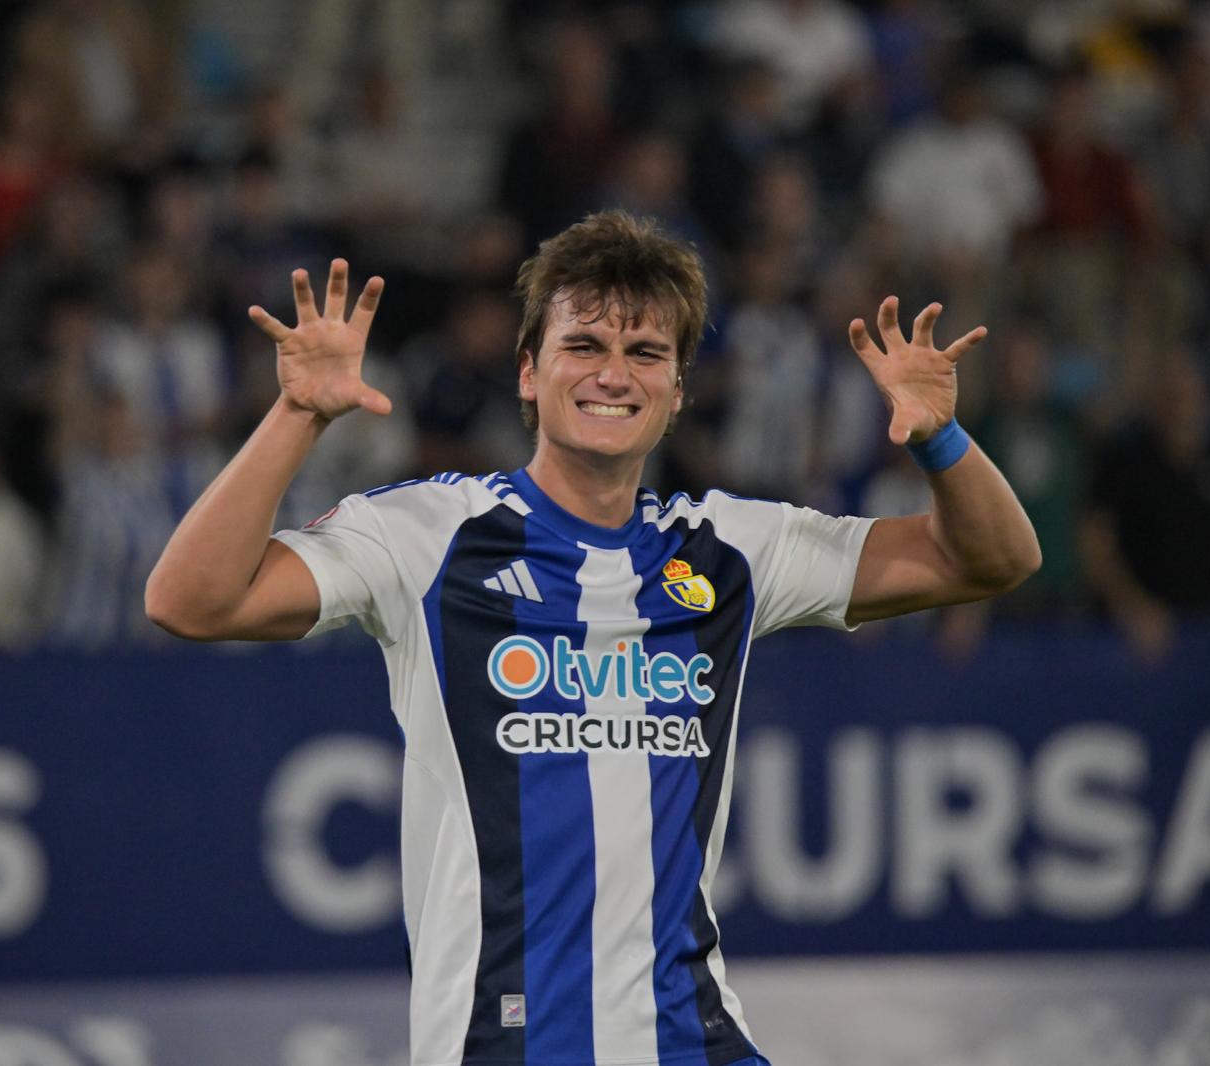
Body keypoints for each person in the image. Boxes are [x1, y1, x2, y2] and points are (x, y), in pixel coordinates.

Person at [145, 211, 1040, 1065]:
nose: (614, 374)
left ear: (679, 391)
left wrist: (943, 441)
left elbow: (991, 559)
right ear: (529, 372)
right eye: (584, 346)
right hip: (504, 1046)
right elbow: (191, 600)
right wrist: (297, 414)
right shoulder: (427, 536)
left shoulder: (729, 549)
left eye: (645, 353)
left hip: (696, 1042)